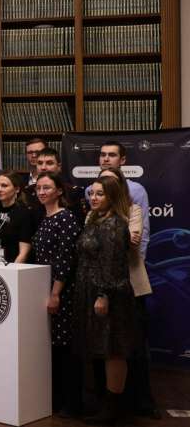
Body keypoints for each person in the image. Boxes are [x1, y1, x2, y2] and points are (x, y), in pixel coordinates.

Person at [73, 177, 139, 424]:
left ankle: (114, 409)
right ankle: (103, 403)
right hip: (90, 290)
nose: (94, 198)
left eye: (100, 194)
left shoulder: (115, 224)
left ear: (112, 196)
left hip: (110, 295)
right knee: (102, 348)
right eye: (92, 193)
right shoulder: (94, 219)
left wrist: (103, 295)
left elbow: (113, 266)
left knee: (114, 350)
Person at [98, 168, 157, 419]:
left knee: (135, 346)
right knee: (107, 347)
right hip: (101, 285)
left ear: (119, 185)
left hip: (131, 285)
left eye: (111, 181)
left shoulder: (133, 210)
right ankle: (110, 402)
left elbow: (132, 241)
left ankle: (142, 402)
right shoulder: (94, 214)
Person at [31, 172, 82, 417]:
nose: (41, 192)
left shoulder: (66, 218)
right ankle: (55, 399)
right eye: (38, 188)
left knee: (66, 349)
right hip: (43, 289)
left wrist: (55, 293)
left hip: (62, 291)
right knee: (53, 347)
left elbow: (65, 259)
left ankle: (72, 403)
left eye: (47, 188)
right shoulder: (44, 218)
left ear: (59, 191)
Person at [28, 148, 87, 222]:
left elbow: (79, 222)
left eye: (49, 163)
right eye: (40, 163)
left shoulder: (74, 192)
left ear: (59, 167)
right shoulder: (28, 191)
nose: (43, 167)